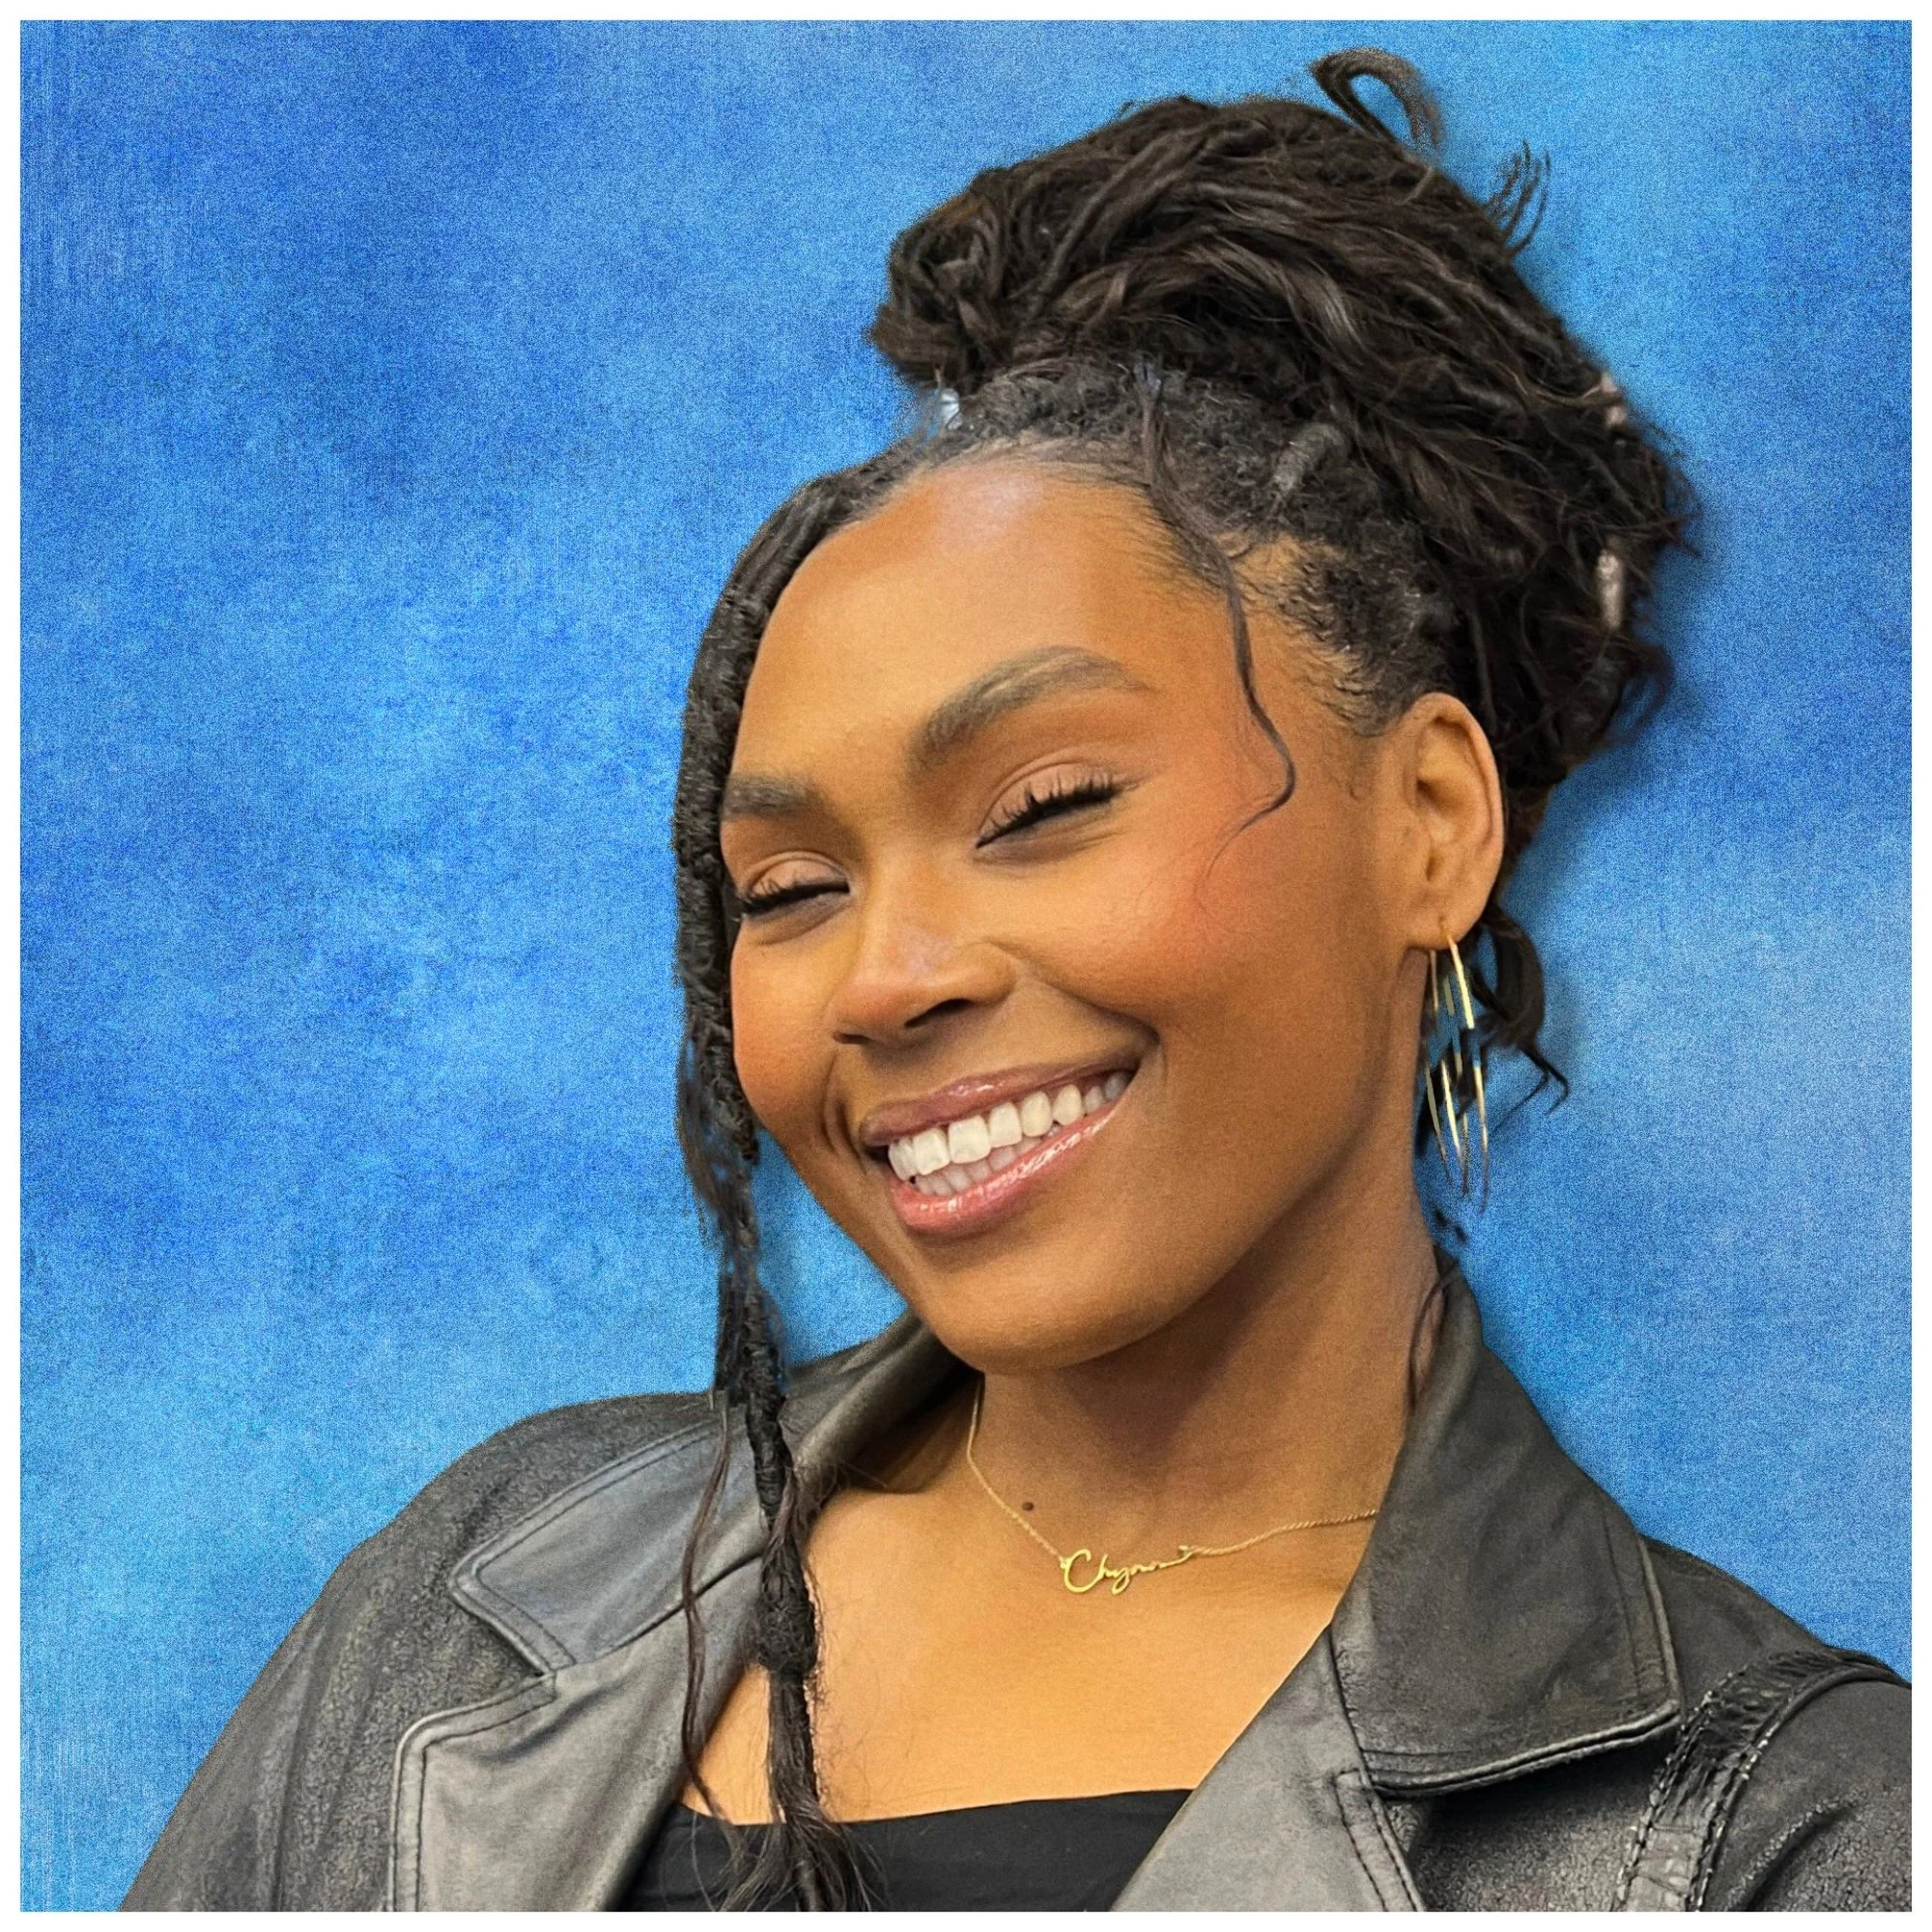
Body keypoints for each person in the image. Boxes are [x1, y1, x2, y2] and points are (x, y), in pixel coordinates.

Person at [123, 50, 1907, 1913]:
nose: (884, 978)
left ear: (1433, 821)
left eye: (1045, 805)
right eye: (788, 887)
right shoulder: (477, 1604)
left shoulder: (1778, 1844)